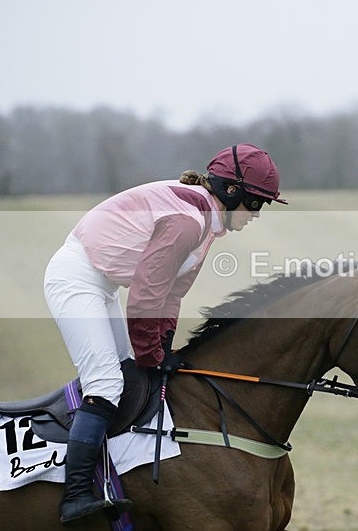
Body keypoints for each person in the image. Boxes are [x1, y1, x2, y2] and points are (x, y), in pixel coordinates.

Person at [44, 143, 286, 524]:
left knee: (127, 377)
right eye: (256, 203)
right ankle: (74, 497)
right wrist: (151, 355)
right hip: (77, 277)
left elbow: (172, 293)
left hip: (102, 284)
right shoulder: (188, 222)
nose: (257, 214)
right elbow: (145, 297)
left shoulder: (207, 225)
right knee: (106, 384)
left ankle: (112, 474)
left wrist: (164, 348)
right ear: (231, 191)